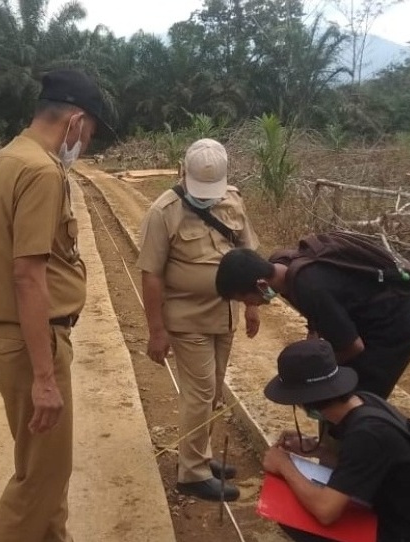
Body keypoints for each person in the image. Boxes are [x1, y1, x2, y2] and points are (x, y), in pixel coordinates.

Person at [0, 69, 112, 542]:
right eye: (89, 134)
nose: (85, 145)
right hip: (36, 339)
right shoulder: (41, 171)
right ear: (75, 122)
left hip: (10, 334)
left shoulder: (3, 160)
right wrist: (46, 378)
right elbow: (28, 276)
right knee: (42, 478)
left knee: (44, 467)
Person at [136, 138, 260, 502]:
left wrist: (252, 305)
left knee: (214, 389)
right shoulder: (164, 211)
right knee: (200, 393)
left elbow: (248, 255)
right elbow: (151, 275)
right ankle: (192, 473)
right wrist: (156, 331)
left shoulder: (233, 201)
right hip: (186, 318)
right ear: (183, 171)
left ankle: (200, 455)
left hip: (225, 315)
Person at [261, 339, 410, 542]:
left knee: (294, 512)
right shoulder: (364, 403)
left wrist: (284, 466)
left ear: (304, 402)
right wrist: (318, 451)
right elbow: (361, 467)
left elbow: (325, 511)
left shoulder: (366, 434)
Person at [215, 244, 410, 399]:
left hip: (396, 323)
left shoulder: (310, 287)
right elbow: (321, 315)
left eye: (244, 299)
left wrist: (310, 371)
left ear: (261, 284)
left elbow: (352, 347)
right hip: (366, 314)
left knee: (355, 395)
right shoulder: (280, 265)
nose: (247, 304)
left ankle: (353, 450)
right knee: (328, 390)